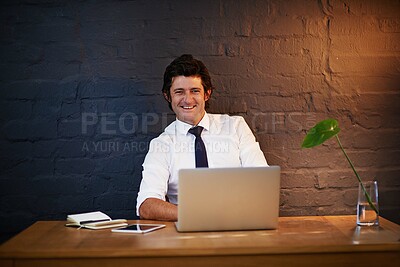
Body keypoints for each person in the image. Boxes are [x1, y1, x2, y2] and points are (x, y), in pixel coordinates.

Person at [136, 54, 268, 221]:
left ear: (207, 94)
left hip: (237, 222)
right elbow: (146, 205)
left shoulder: (235, 127)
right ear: (168, 96)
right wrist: (197, 215)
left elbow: (261, 183)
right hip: (186, 230)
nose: (187, 99)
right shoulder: (161, 144)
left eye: (195, 91)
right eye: (179, 92)